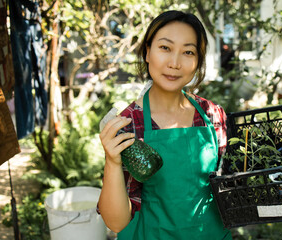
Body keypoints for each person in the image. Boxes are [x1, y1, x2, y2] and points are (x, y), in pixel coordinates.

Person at [98, 10, 232, 240]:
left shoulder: (212, 115)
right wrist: (112, 161)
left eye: (188, 52)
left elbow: (227, 188)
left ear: (198, 61)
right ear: (147, 52)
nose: (175, 63)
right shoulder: (130, 123)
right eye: (165, 48)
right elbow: (117, 223)